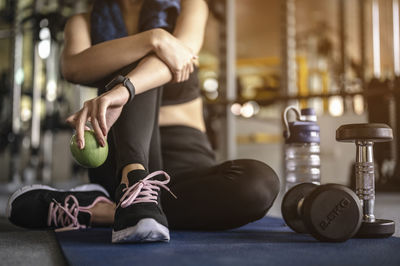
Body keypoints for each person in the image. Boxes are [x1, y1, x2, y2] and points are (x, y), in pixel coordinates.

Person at [7, 0, 280, 243]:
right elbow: (73, 67)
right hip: (118, 161)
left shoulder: (189, 5)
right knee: (132, 57)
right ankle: (133, 183)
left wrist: (124, 89)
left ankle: (105, 211)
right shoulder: (83, 23)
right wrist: (154, 39)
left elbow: (182, 55)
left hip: (186, 167)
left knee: (259, 185)